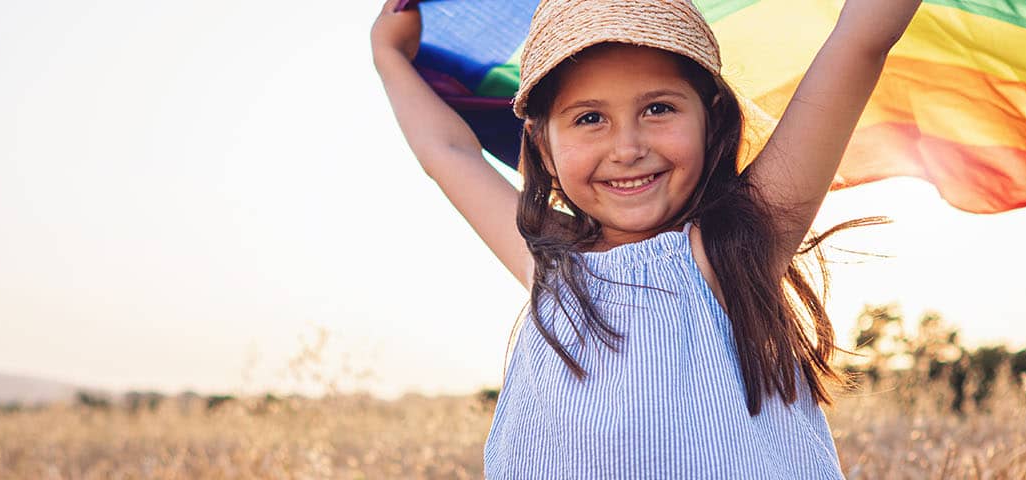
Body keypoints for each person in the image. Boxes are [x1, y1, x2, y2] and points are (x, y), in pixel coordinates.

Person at [372, 0, 919, 477]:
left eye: (658, 109)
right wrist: (389, 56)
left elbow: (858, 43)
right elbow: (448, 153)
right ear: (541, 146)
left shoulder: (733, 249)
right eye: (589, 118)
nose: (627, 147)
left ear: (712, 120)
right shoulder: (550, 264)